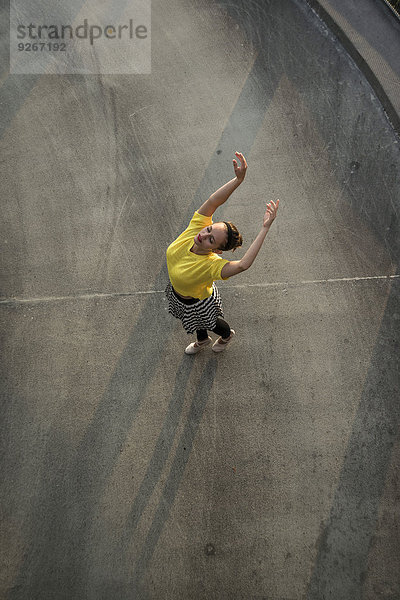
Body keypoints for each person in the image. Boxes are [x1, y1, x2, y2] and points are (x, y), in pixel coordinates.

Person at [165, 151, 279, 354]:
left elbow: (243, 264)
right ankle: (203, 340)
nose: (204, 235)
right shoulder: (195, 228)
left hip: (197, 302)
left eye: (211, 239)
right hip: (178, 294)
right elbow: (213, 201)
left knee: (210, 322)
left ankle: (226, 336)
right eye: (208, 229)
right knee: (194, 323)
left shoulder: (211, 265)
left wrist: (265, 228)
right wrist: (238, 180)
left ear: (216, 249)